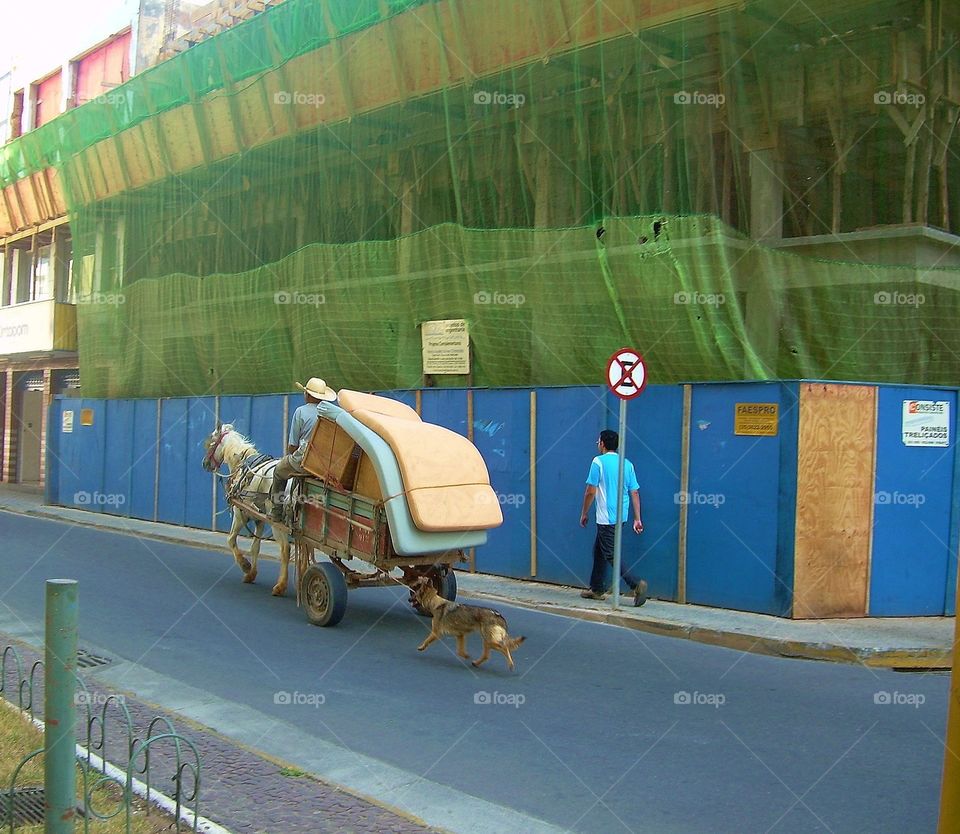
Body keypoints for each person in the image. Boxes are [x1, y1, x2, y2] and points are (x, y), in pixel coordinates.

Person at [578, 429, 648, 606]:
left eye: (598, 441)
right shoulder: (627, 464)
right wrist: (637, 518)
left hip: (605, 516)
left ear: (602, 444)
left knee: (610, 553)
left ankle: (635, 584)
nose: (597, 444)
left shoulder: (598, 462)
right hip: (621, 516)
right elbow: (634, 492)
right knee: (599, 551)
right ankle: (597, 588)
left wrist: (584, 512)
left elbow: (590, 491)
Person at [269, 377, 337, 520]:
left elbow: (293, 446)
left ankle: (276, 512)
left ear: (308, 395)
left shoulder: (300, 411)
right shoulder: (332, 413)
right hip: (326, 465)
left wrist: (292, 454)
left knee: (278, 471)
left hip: (304, 461)